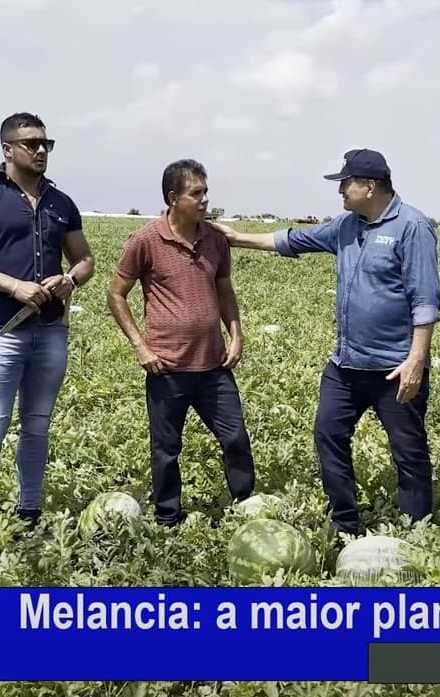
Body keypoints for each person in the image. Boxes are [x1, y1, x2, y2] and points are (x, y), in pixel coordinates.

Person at [215, 148, 440, 536]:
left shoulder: (411, 227)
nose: (340, 191)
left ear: (369, 186)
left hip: (395, 366)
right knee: (328, 434)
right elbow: (294, 239)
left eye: (345, 183)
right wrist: (237, 239)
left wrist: (416, 360)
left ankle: (416, 531)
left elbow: (425, 300)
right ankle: (344, 522)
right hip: (346, 365)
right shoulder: (346, 226)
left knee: (409, 453)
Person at [0, 112, 95, 562]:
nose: (41, 150)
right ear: (7, 150)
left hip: (49, 333)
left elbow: (84, 259)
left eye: (46, 142)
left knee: (38, 427)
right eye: (31, 143)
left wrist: (70, 280)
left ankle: (30, 515)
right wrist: (13, 285)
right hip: (0, 331)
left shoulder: (61, 202)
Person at [106, 159, 255, 527]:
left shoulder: (216, 240)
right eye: (196, 193)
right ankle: (168, 517)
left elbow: (224, 290)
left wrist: (235, 333)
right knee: (166, 450)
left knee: (235, 437)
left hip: (214, 367)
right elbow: (115, 294)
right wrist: (140, 346)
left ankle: (246, 508)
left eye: (206, 192)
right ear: (174, 198)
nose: (205, 200)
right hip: (167, 367)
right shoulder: (145, 240)